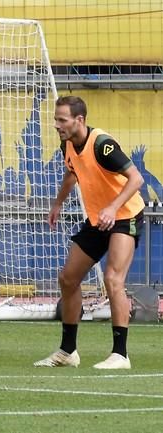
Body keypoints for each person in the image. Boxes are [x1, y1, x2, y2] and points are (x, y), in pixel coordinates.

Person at [34, 95, 145, 370]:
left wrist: (112, 207)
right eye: (55, 119)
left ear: (79, 120)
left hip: (124, 215)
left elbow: (136, 178)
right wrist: (58, 203)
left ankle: (121, 354)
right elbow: (72, 172)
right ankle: (68, 352)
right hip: (98, 220)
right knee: (68, 278)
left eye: (62, 119)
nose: (56, 125)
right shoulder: (68, 143)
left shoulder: (102, 145)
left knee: (112, 278)